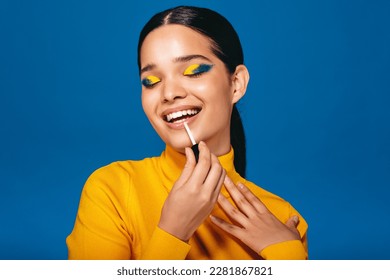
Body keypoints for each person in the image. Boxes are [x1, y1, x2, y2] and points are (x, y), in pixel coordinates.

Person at [66, 5, 308, 260]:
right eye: (151, 81)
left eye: (193, 71)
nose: (169, 93)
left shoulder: (282, 219)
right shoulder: (111, 190)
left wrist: (287, 254)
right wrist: (172, 231)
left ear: (236, 84)